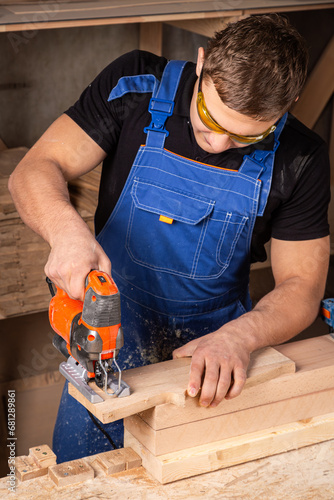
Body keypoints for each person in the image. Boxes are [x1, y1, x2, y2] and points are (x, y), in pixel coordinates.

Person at [8, 14, 330, 462]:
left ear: (287, 105)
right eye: (207, 117)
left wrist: (240, 338)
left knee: (200, 473)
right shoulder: (135, 84)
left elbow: (303, 287)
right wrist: (65, 232)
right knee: (83, 472)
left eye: (246, 135)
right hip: (113, 327)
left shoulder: (302, 156)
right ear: (202, 64)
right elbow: (36, 168)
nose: (217, 143)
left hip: (215, 346)